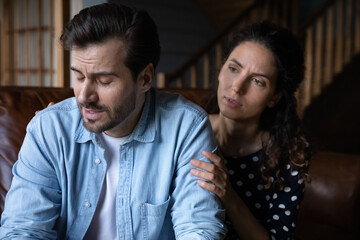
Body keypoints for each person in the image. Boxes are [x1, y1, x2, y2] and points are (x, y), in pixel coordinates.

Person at [0, 3, 226, 239]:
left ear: (145, 78)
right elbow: (23, 230)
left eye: (104, 81)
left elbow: (199, 229)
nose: (83, 96)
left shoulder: (186, 127)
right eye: (78, 76)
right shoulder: (49, 129)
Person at [190, 22, 311, 240]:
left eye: (257, 81)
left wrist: (228, 194)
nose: (237, 86)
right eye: (233, 68)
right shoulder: (190, 129)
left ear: (274, 97)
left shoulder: (290, 154)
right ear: (220, 71)